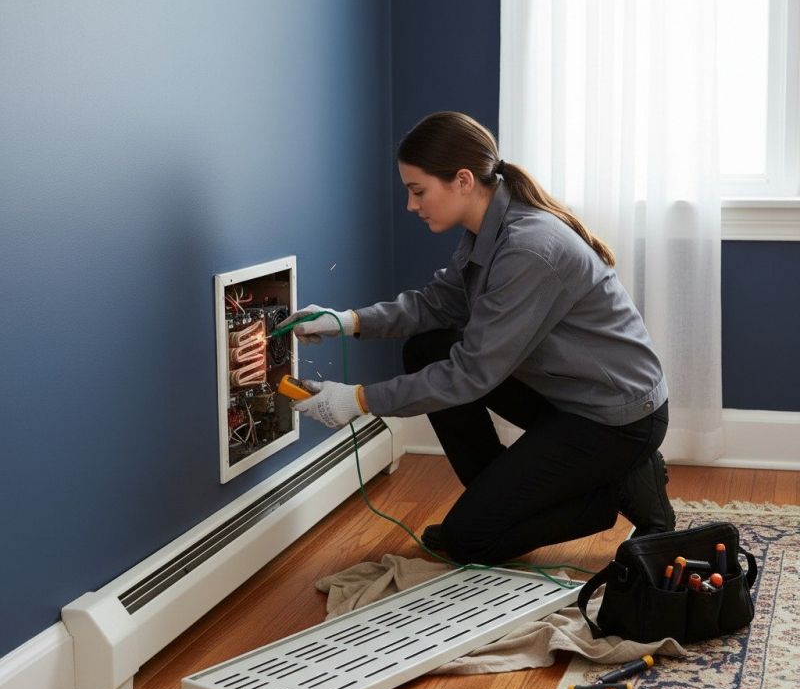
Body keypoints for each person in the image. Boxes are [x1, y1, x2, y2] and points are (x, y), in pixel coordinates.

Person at [278, 111, 674, 566]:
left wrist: (360, 400)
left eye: (418, 191)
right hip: (569, 395)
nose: (411, 205)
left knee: (469, 541)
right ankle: (500, 500)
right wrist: (346, 321)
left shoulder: (527, 247)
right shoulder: (489, 229)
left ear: (463, 180)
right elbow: (437, 304)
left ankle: (607, 491)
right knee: (427, 348)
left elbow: (471, 374)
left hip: (616, 417)